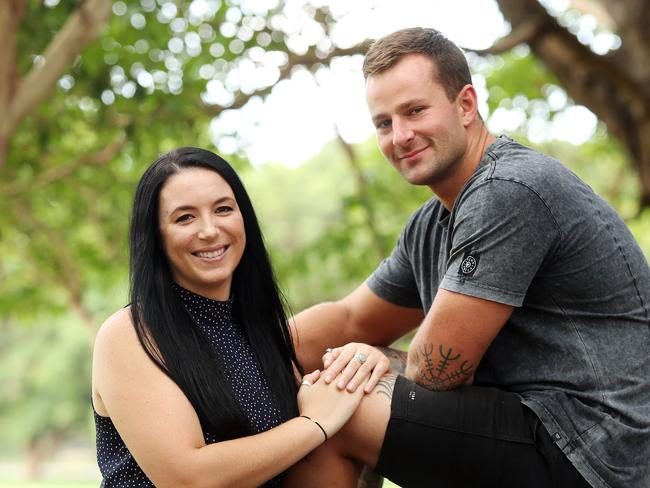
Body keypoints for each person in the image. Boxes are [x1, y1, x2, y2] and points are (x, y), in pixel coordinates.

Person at [292, 27, 650, 488]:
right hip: (535, 427)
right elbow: (350, 318)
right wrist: (226, 350)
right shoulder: (431, 223)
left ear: (465, 104)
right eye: (384, 123)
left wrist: (365, 362)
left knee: (337, 401)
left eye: (415, 111)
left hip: (597, 449)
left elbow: (436, 372)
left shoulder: (509, 189)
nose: (400, 136)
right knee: (334, 383)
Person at [91, 147, 380, 487]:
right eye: (185, 217)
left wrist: (367, 360)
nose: (210, 230)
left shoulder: (259, 331)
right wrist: (313, 423)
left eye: (224, 209)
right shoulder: (130, 335)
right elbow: (187, 479)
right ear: (156, 237)